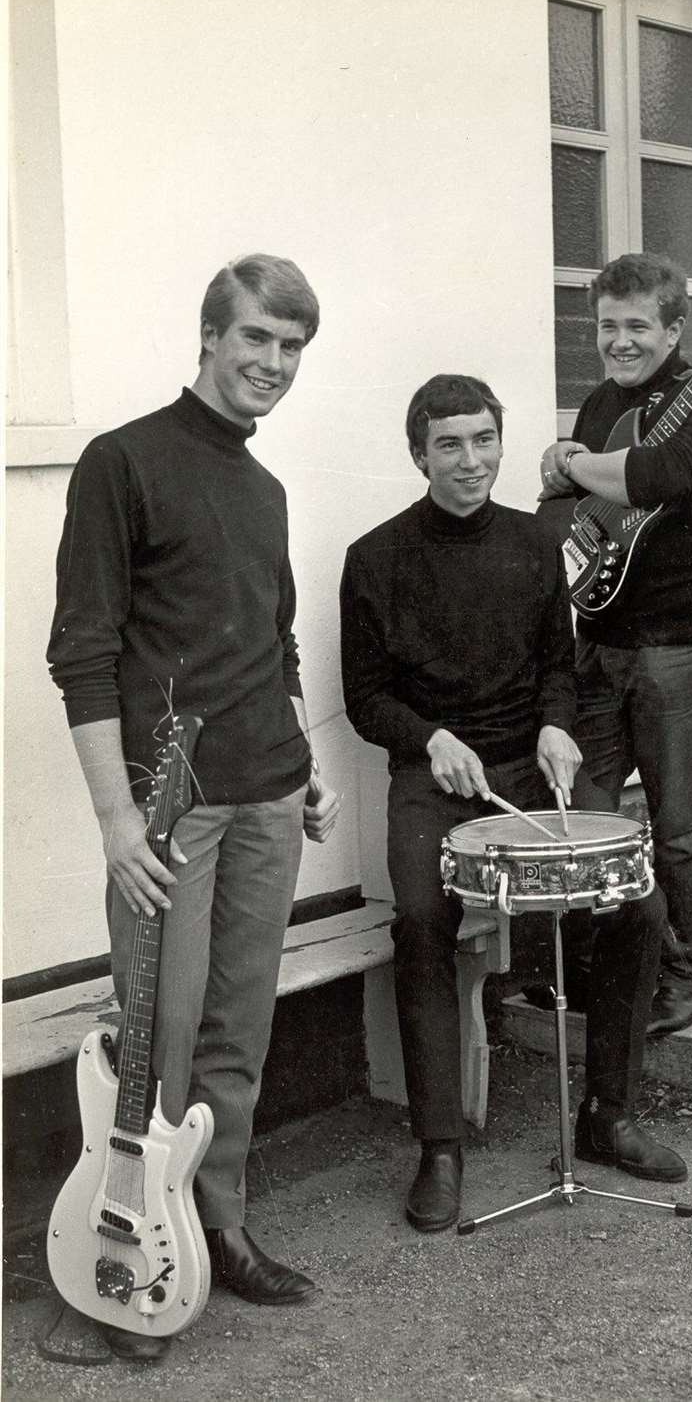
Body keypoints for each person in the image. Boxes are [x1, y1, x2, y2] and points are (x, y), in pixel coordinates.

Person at [47, 254, 342, 1361]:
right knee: (156, 1045)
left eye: (291, 347)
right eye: (255, 339)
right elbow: (80, 655)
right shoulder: (123, 462)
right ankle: (115, 1276)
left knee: (237, 1036)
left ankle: (212, 1228)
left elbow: (277, 636)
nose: (272, 363)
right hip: (169, 819)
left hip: (268, 798)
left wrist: (301, 756)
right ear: (210, 335)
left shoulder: (263, 489)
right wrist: (119, 823)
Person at [339, 373, 687, 1233]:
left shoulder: (537, 542)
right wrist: (429, 740)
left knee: (637, 904)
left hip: (527, 766)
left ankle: (608, 1113)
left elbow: (556, 668)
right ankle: (440, 1147)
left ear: (502, 442)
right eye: (449, 444)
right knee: (421, 921)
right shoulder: (373, 558)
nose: (470, 461)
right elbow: (365, 697)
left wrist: (556, 727)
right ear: (418, 453)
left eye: (484, 441)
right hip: (436, 774)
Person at [538, 253, 692, 1037]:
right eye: (606, 326)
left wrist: (570, 461)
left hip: (687, 643)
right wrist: (566, 463)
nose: (619, 341)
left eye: (636, 326)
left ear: (672, 329)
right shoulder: (599, 404)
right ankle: (615, 969)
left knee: (683, 822)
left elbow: (653, 475)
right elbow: (573, 505)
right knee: (586, 815)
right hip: (601, 641)